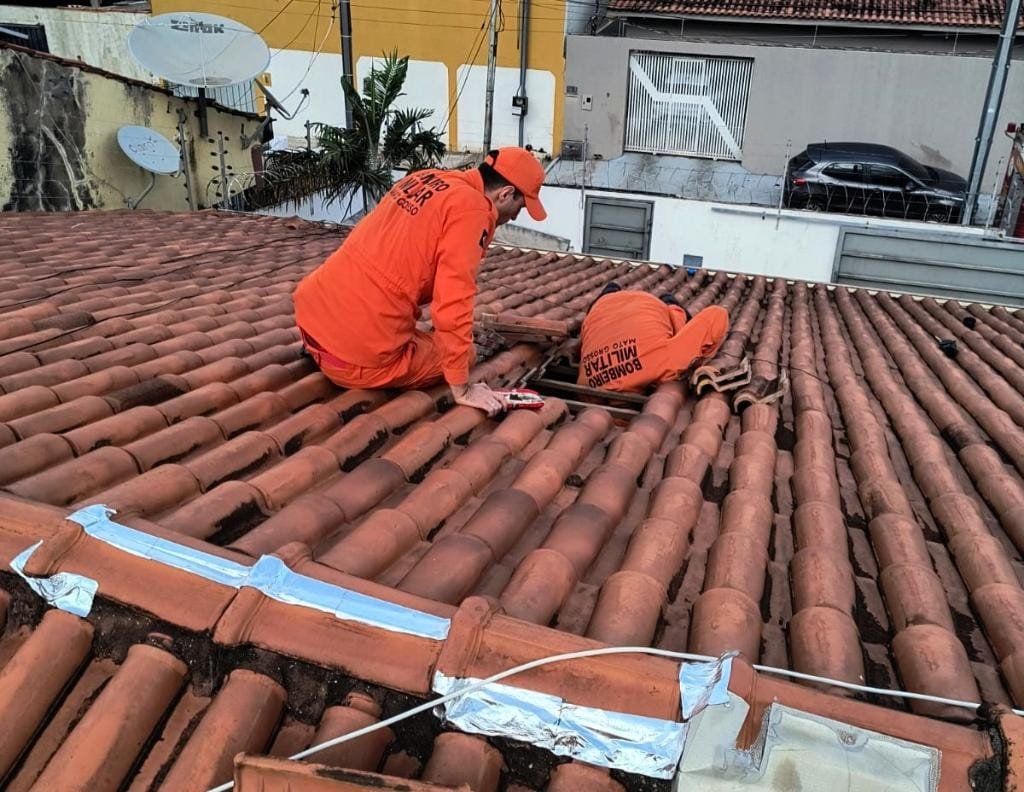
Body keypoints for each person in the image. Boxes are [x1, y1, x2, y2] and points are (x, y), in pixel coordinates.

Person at [294, 147, 547, 417]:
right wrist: (462, 388)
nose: (516, 217)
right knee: (465, 354)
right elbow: (453, 302)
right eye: (520, 206)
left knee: (428, 337)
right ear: (505, 193)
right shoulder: (473, 209)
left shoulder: (427, 178)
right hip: (355, 355)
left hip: (312, 317)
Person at [577, 283, 729, 394]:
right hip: (639, 368)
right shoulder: (662, 352)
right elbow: (717, 315)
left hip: (588, 380)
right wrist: (700, 360)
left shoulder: (594, 313)